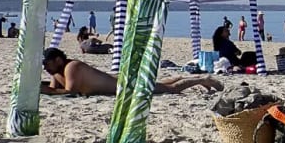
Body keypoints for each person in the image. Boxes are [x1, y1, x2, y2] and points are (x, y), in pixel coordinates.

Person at [41, 48, 222, 96]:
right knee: (161, 85)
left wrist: (45, 90)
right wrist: (45, 89)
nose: (46, 68)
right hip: (120, 83)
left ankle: (201, 79)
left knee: (170, 90)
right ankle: (187, 77)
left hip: (125, 85)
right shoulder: (56, 72)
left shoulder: (71, 67)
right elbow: (53, 89)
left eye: (48, 64)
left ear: (58, 60)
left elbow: (69, 92)